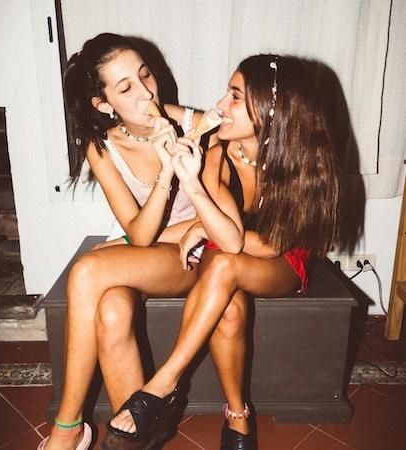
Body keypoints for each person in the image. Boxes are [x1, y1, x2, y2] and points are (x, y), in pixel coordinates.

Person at [106, 54, 340, 450]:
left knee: (223, 263)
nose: (219, 105)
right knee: (228, 300)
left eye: (234, 96)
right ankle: (237, 417)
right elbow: (229, 240)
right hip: (229, 261)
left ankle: (162, 385)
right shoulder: (217, 155)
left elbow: (272, 244)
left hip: (282, 262)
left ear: (271, 110)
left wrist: (205, 227)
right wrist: (191, 183)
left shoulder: (306, 160)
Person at [39, 33, 248, 450]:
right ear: (104, 105)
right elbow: (140, 233)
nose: (146, 93)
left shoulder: (197, 126)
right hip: (151, 253)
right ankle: (140, 435)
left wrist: (128, 241)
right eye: (126, 88)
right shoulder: (101, 147)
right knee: (112, 308)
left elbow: (218, 220)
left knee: (87, 270)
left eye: (145, 75)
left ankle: (68, 428)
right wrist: (166, 171)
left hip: (199, 257)